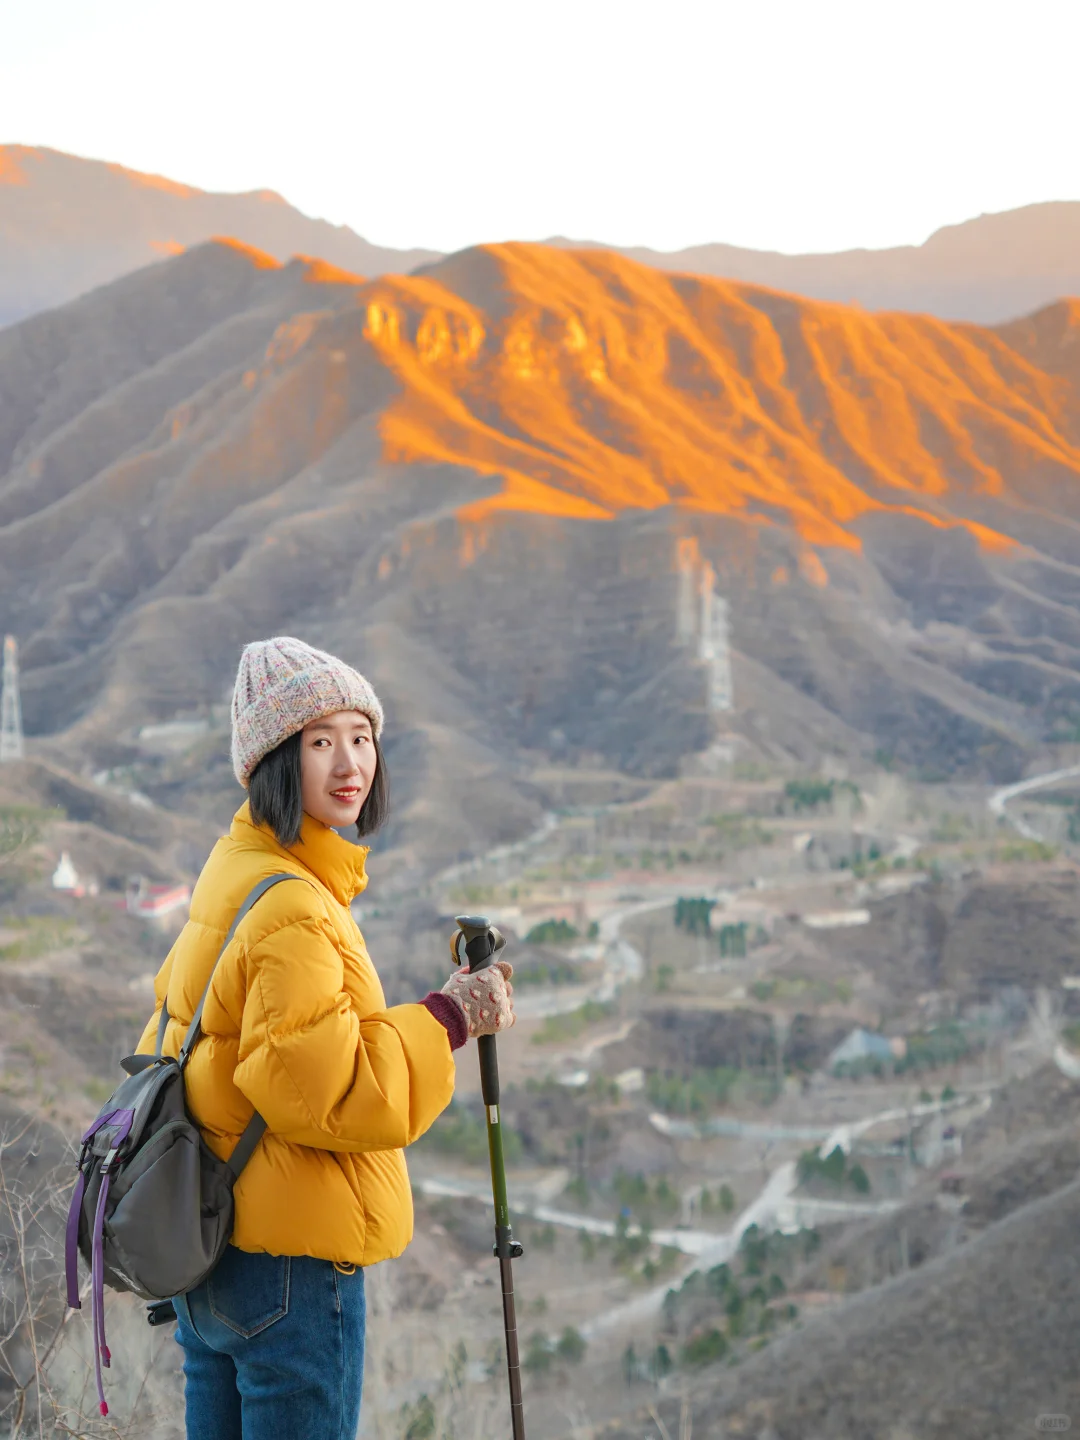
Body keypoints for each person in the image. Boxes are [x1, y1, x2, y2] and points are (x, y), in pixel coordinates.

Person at [134, 636, 515, 1440]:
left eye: (361, 735)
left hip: (214, 1256)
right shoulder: (295, 908)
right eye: (318, 741)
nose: (350, 762)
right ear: (275, 757)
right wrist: (451, 1017)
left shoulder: (235, 867)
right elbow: (329, 1094)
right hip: (291, 1272)